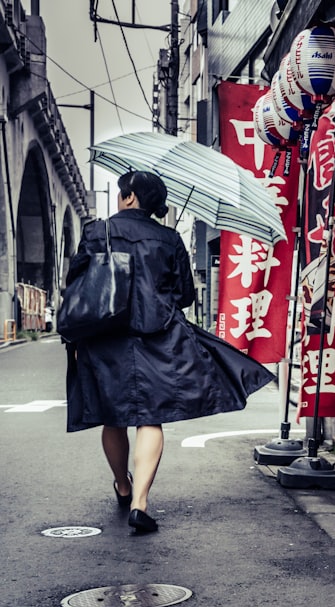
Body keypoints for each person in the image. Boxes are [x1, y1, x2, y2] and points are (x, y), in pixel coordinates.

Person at [64, 171, 275, 534]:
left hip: (104, 336)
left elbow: (77, 285)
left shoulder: (98, 232)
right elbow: (186, 295)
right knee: (150, 416)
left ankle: (122, 483)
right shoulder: (170, 237)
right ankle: (140, 503)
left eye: (121, 193)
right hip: (157, 335)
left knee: (111, 416)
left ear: (130, 197)